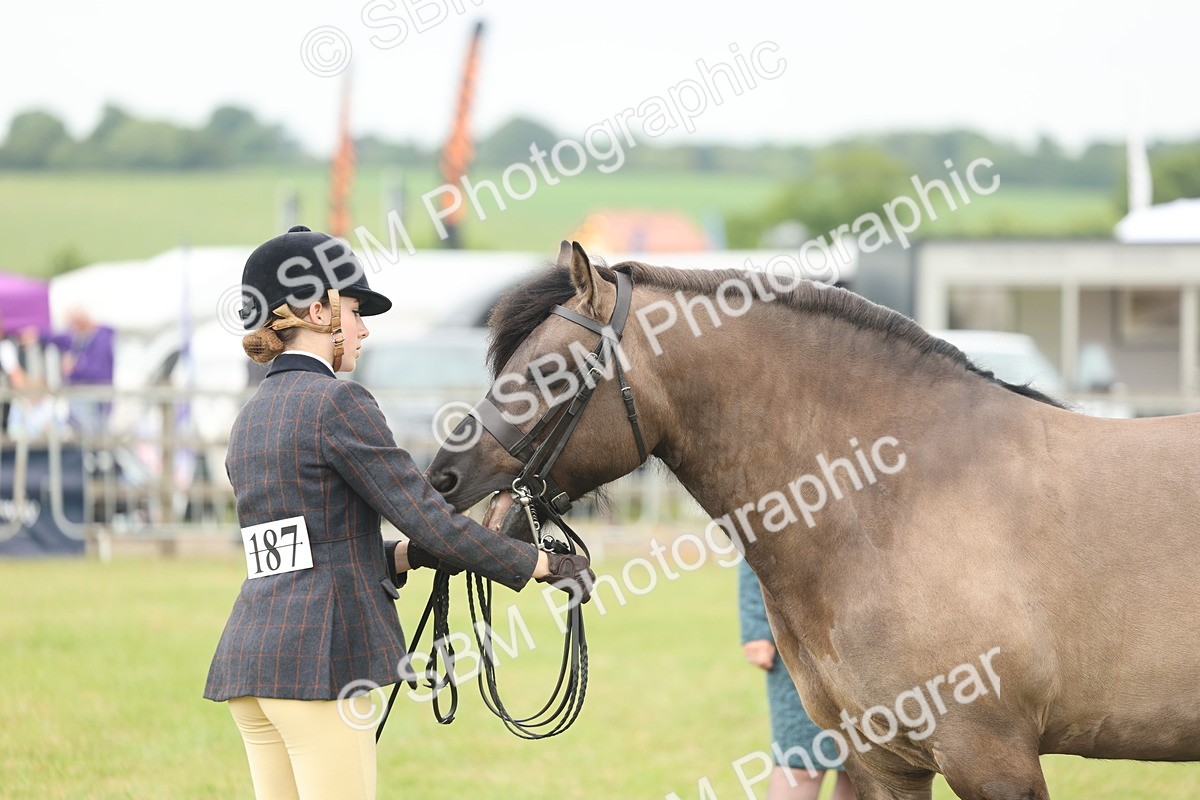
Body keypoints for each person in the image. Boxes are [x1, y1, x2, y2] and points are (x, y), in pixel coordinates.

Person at [204, 225, 594, 800]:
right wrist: (538, 564)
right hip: (320, 664)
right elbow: (430, 517)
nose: (363, 328)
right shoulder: (338, 402)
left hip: (252, 661)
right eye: (355, 312)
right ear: (318, 312)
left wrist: (408, 556)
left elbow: (299, 549)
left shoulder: (252, 415)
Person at [738, 559, 857, 800]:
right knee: (798, 763)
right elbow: (751, 544)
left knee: (865, 765)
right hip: (795, 633)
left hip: (867, 628)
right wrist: (756, 626)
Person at [42, 307, 115, 436]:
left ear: (80, 322)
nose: (71, 329)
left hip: (94, 398)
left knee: (94, 437)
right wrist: (37, 335)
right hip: (82, 398)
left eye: (73, 325)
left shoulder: (101, 339)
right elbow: (60, 338)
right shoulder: (82, 338)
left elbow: (98, 372)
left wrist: (75, 366)